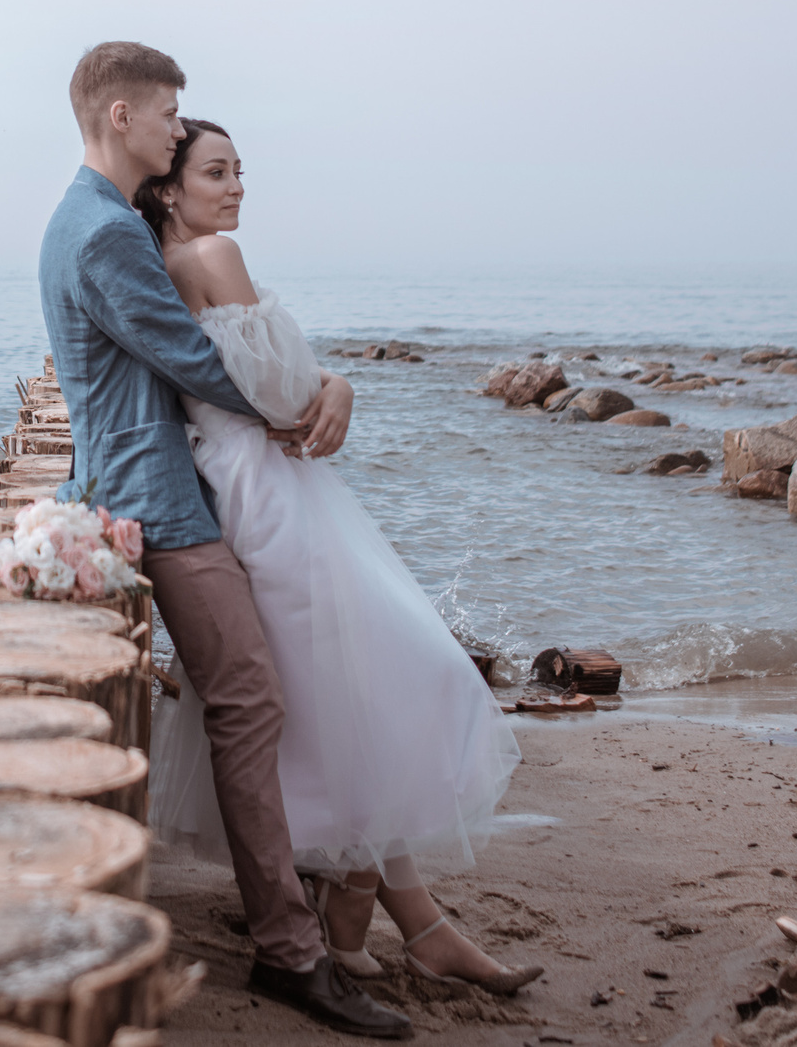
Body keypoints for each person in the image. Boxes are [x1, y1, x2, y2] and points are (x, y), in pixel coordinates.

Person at [41, 41, 414, 1039]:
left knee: (249, 700)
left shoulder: (98, 221)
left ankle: (310, 914)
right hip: (153, 498)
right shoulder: (104, 236)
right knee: (250, 702)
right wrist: (326, 390)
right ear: (121, 117)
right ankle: (291, 953)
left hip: (147, 482)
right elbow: (198, 364)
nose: (176, 127)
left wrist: (326, 383)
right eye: (168, 113)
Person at [138, 118, 542, 996]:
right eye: (216, 171)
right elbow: (284, 392)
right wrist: (336, 384)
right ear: (169, 188)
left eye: (242, 170)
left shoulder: (166, 268)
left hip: (238, 483)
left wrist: (328, 385)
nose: (237, 186)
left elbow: (267, 387)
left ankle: (392, 920)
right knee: (393, 680)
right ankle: (375, 915)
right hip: (272, 494)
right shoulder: (212, 258)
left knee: (341, 701)